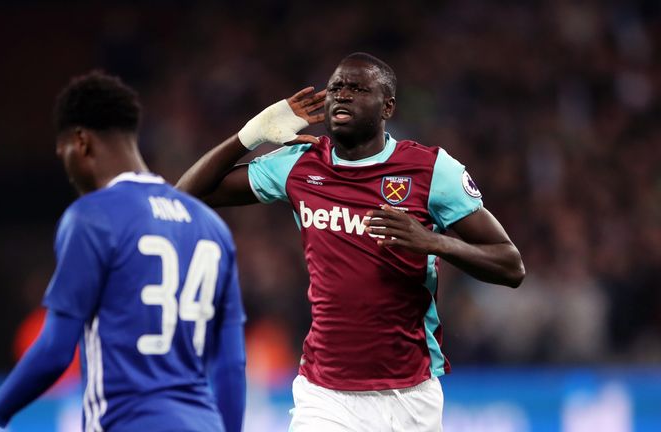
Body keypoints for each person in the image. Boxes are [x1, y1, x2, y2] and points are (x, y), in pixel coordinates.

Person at [177, 52, 525, 431]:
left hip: (408, 396)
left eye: (358, 89)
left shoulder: (430, 170)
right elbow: (186, 194)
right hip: (323, 393)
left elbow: (510, 265)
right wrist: (251, 135)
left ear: (387, 106)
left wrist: (433, 242)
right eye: (337, 88)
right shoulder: (300, 163)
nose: (342, 96)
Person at [0, 71, 246, 432]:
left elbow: (54, 350)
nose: (65, 166)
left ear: (81, 142)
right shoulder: (211, 226)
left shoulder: (92, 217)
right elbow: (231, 364)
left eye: (62, 151)